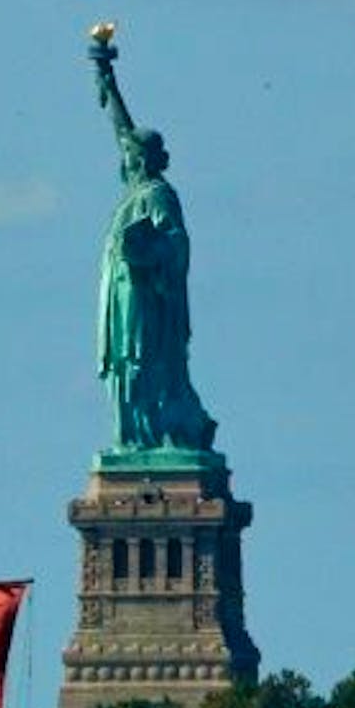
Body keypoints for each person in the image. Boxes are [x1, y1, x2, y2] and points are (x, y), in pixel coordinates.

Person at [90, 33, 217, 452]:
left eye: (130, 154)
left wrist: (145, 253)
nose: (124, 158)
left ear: (142, 159)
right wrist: (107, 80)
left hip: (145, 299)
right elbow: (122, 131)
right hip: (122, 295)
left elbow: (176, 246)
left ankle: (146, 435)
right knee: (124, 365)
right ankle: (130, 436)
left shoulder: (158, 196)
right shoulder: (135, 190)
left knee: (140, 363)